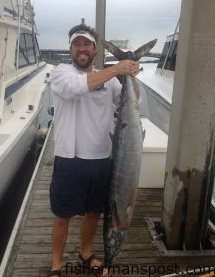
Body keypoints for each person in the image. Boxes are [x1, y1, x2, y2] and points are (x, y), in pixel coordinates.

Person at [49, 24, 140, 277]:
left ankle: (86, 252)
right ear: (70, 48)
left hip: (100, 159)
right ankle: (56, 264)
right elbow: (76, 87)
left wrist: (131, 75)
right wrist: (116, 69)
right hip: (69, 158)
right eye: (77, 44)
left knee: (93, 212)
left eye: (86, 44)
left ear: (94, 49)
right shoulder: (61, 73)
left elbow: (134, 99)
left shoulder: (108, 78)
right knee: (62, 214)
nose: (81, 48)